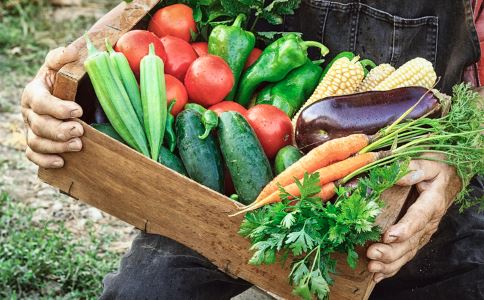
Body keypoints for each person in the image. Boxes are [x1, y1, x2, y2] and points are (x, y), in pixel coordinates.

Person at [21, 0, 484, 299]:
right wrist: (65, 75)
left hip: (421, 187)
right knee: (142, 293)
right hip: (237, 186)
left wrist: (456, 164)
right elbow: (144, 19)